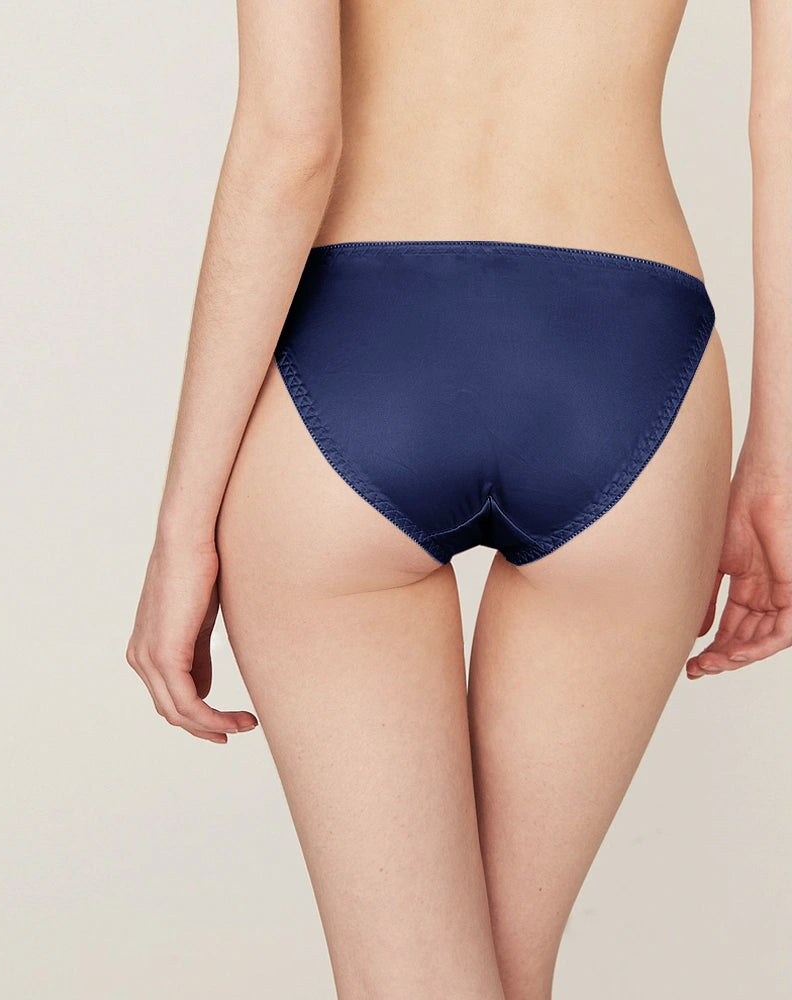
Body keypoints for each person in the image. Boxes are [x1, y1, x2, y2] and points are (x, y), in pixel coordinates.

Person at [126, 0, 791, 996]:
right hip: (626, 358)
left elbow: (291, 142)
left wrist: (185, 526)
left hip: (353, 356)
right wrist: (777, 461)